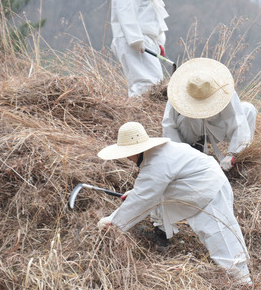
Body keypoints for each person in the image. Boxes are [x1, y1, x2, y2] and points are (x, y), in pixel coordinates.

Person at [97, 121, 252, 286]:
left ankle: (241, 282)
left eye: (127, 153)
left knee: (220, 236)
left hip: (209, 188)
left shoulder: (156, 161)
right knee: (214, 233)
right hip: (200, 186)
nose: (127, 158)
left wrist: (113, 223)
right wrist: (134, 193)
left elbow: (142, 199)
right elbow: (148, 190)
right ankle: (236, 277)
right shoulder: (156, 155)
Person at [162, 58, 257, 172]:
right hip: (192, 130)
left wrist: (233, 153)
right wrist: (179, 154)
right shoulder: (177, 94)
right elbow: (168, 125)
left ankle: (242, 162)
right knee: (186, 118)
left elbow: (237, 121)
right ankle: (193, 150)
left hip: (218, 128)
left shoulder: (224, 90)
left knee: (249, 109)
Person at [110, 0, 171, 97]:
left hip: (146, 41)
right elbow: (126, 13)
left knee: (154, 82)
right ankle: (137, 118)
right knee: (144, 85)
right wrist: (137, 41)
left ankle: (142, 118)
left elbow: (153, 15)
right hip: (133, 41)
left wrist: (159, 42)